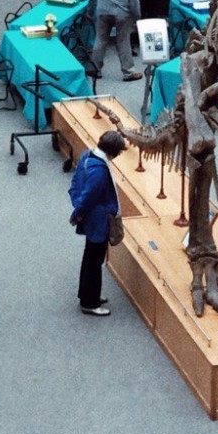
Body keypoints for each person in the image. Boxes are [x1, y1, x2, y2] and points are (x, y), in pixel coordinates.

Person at [68, 130, 126, 315]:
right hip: (98, 220)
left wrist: (78, 208)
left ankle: (86, 294)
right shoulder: (99, 172)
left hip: (91, 218)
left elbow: (76, 184)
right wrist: (78, 212)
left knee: (89, 257)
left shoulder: (87, 155)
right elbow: (88, 197)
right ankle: (90, 303)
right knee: (95, 260)